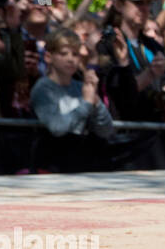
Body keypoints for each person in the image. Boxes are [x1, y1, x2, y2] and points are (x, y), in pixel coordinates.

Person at [30, 28, 115, 171]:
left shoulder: (81, 87)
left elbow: (106, 130)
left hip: (80, 165)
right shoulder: (43, 88)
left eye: (75, 54)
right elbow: (57, 127)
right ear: (48, 57)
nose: (70, 59)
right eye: (63, 54)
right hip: (50, 167)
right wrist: (86, 103)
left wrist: (97, 103)